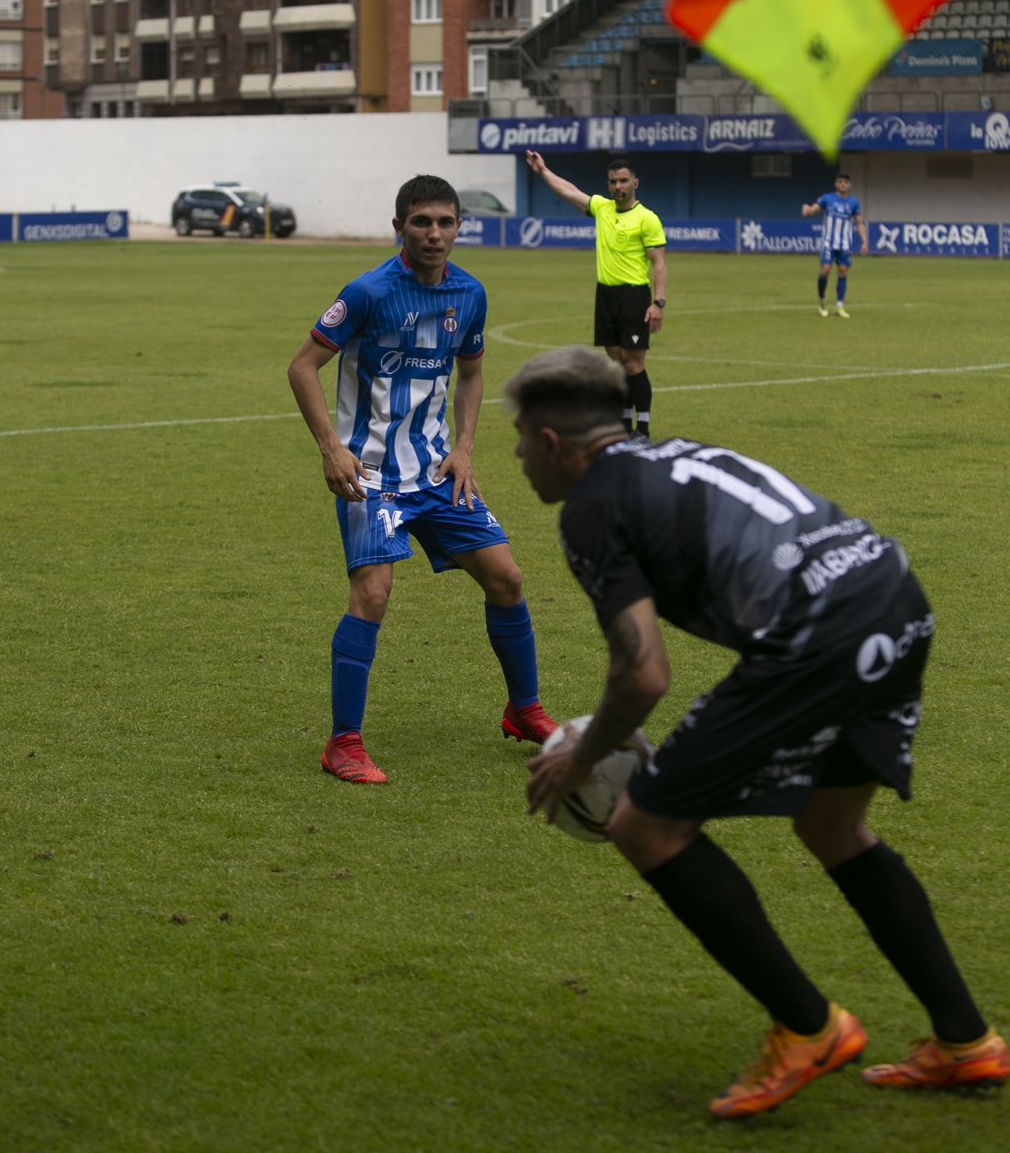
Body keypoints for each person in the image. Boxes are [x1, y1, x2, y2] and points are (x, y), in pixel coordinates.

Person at [508, 345, 1007, 1120]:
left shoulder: (593, 505)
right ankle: (966, 1041)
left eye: (518, 440)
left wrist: (584, 752)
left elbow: (642, 675)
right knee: (832, 823)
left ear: (551, 443)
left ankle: (808, 1027)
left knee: (646, 823)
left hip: (820, 635)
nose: (515, 457)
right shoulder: (671, 454)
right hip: (893, 598)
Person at [287, 174, 555, 784]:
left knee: (507, 577)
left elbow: (471, 374)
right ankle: (343, 744)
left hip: (435, 470)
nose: (434, 234)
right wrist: (330, 448)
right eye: (421, 223)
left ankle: (525, 709)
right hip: (371, 473)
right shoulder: (367, 291)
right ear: (399, 227)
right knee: (373, 595)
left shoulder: (470, 294)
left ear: (460, 227)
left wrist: (464, 448)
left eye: (445, 223)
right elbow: (302, 367)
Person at [525, 150, 666, 438]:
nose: (618, 187)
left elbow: (659, 263)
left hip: (634, 295)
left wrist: (658, 303)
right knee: (616, 362)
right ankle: (625, 424)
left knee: (634, 363)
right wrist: (543, 171)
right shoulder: (602, 208)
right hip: (605, 296)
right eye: (613, 182)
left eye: (623, 181)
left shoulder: (647, 218)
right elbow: (569, 191)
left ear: (635, 183)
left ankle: (644, 429)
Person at [802, 171, 868, 319]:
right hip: (828, 243)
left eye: (846, 182)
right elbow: (814, 208)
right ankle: (822, 302)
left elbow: (858, 223)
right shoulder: (827, 198)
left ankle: (839, 306)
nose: (843, 184)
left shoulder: (854, 203)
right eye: (840, 182)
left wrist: (864, 241)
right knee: (825, 271)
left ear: (849, 185)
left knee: (843, 272)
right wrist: (808, 210)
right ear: (836, 184)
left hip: (844, 244)